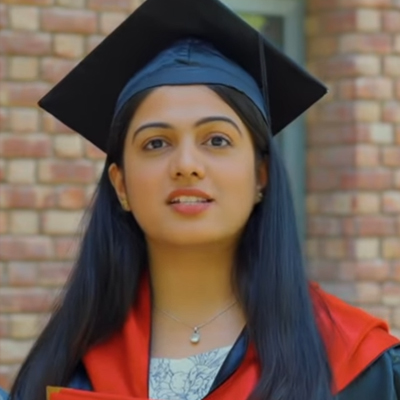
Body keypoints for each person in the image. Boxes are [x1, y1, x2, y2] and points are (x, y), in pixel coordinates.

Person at [4, 0, 400, 399]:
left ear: (261, 175)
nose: (186, 166)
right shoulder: (71, 363)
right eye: (156, 143)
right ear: (120, 185)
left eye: (217, 140)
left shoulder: (352, 362)